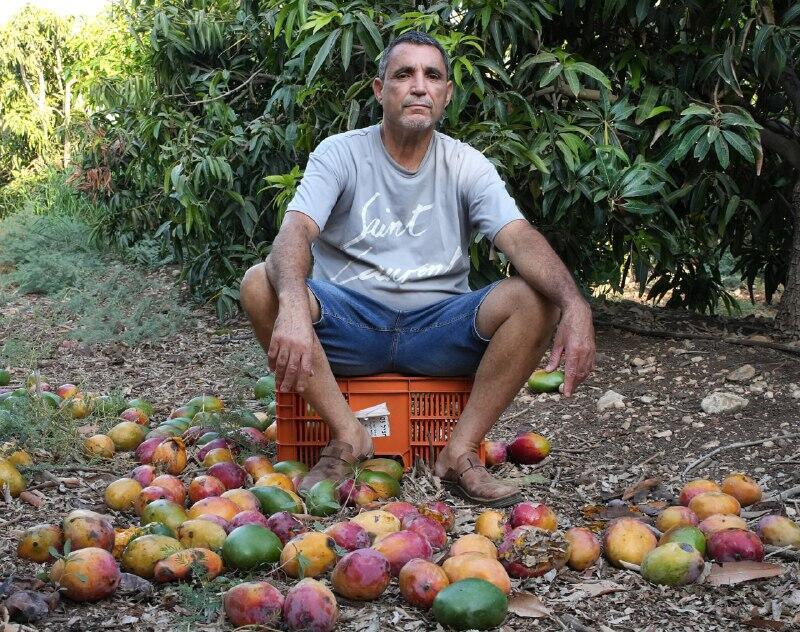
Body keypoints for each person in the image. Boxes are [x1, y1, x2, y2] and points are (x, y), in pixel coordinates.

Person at [240, 30, 595, 507]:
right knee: (260, 283)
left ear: (447, 93)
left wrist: (576, 303)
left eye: (432, 76)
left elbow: (520, 238)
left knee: (536, 298)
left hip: (437, 328)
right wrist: (292, 309)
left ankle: (460, 451)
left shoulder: (466, 164)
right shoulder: (340, 152)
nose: (419, 86)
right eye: (404, 74)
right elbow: (295, 233)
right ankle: (348, 436)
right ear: (379, 88)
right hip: (350, 323)